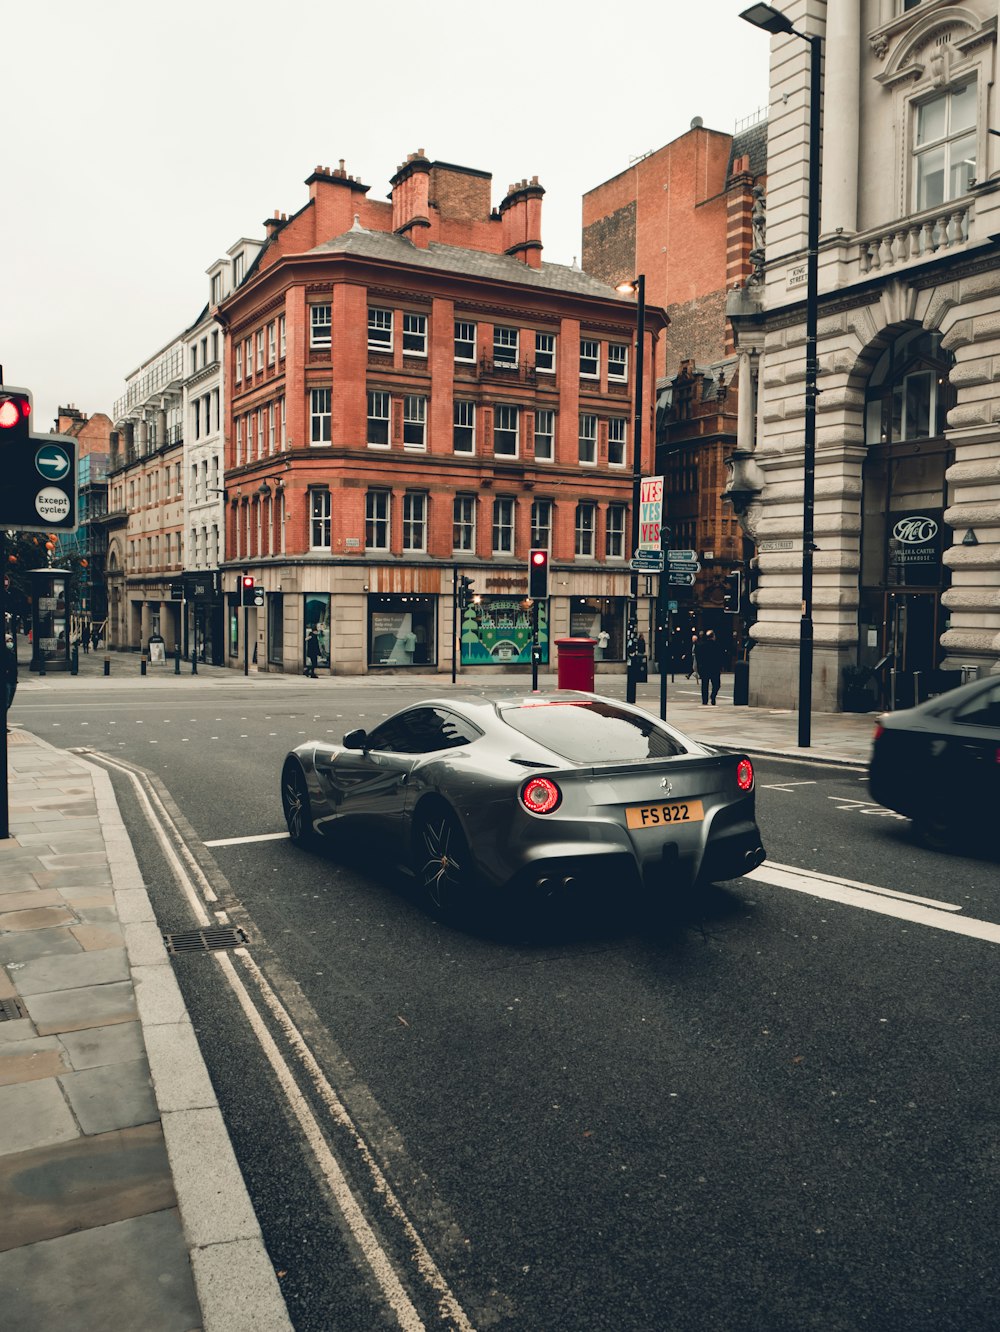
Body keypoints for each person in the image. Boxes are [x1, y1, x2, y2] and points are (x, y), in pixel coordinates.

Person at [695, 629, 723, 706]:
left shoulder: (701, 645)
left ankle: (705, 700)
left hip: (704, 667)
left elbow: (698, 657)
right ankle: (713, 696)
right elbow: (721, 656)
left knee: (704, 685)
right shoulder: (717, 645)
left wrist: (699, 666)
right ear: (713, 636)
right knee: (716, 684)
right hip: (714, 668)